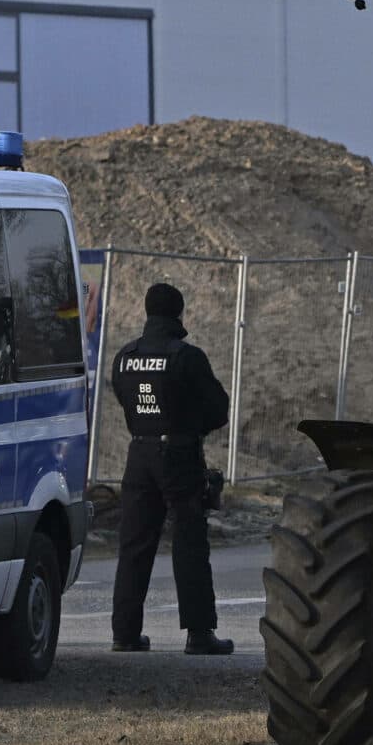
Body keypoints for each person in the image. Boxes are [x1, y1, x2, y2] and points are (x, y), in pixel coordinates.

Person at [106, 281, 234, 655]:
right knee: (189, 541)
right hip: (177, 454)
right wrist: (190, 427)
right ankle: (199, 633)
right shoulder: (186, 356)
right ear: (179, 314)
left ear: (147, 313)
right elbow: (218, 409)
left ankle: (124, 634)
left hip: (138, 454)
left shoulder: (125, 357)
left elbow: (124, 398)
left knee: (133, 544)